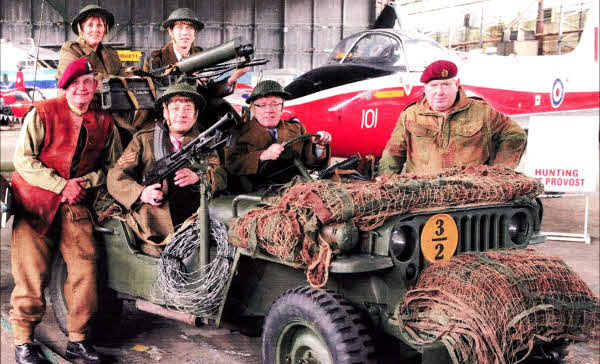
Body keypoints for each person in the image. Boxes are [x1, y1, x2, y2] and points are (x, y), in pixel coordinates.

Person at [10, 58, 120, 364]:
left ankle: (78, 339)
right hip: (34, 201)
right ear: (65, 86)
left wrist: (86, 181)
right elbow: (23, 159)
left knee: (85, 268)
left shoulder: (105, 121)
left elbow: (113, 168)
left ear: (95, 86)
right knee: (31, 273)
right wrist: (60, 185)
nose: (81, 88)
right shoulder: (43, 113)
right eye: (75, 83)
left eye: (88, 82)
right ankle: (23, 341)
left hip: (75, 202)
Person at [107, 83, 227, 256]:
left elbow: (221, 175)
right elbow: (115, 177)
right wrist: (141, 193)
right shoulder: (143, 140)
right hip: (155, 228)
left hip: (195, 223)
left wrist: (199, 177)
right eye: (175, 108)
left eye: (188, 108)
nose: (182, 114)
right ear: (165, 112)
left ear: (195, 114)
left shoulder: (205, 142)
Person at [378, 60, 527, 175]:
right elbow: (393, 153)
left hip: (469, 196)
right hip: (422, 195)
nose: (440, 92)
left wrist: (498, 172)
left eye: (446, 84)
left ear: (457, 84)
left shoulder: (483, 112)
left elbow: (515, 135)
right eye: (434, 85)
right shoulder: (410, 115)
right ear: (425, 88)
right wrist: (386, 183)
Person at [144, 7, 248, 129]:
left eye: (190, 27)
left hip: (198, 112)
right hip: (168, 115)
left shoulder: (201, 55)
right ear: (170, 32)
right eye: (179, 27)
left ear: (195, 34)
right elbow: (152, 97)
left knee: (230, 120)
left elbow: (211, 92)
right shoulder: (156, 59)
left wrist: (234, 77)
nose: (185, 32)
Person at [225, 80, 332, 192]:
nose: (269, 110)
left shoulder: (297, 128)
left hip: (295, 190)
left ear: (282, 107)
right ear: (253, 108)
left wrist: (319, 147)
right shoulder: (238, 132)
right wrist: (262, 155)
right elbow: (232, 165)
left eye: (275, 104)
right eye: (262, 105)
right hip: (255, 194)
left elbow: (314, 164)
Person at [57, 5, 128, 87]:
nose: (95, 30)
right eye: (90, 25)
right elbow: (74, 79)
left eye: (99, 25)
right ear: (81, 29)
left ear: (104, 30)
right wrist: (120, 81)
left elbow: (122, 72)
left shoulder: (111, 53)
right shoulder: (71, 49)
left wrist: (134, 75)